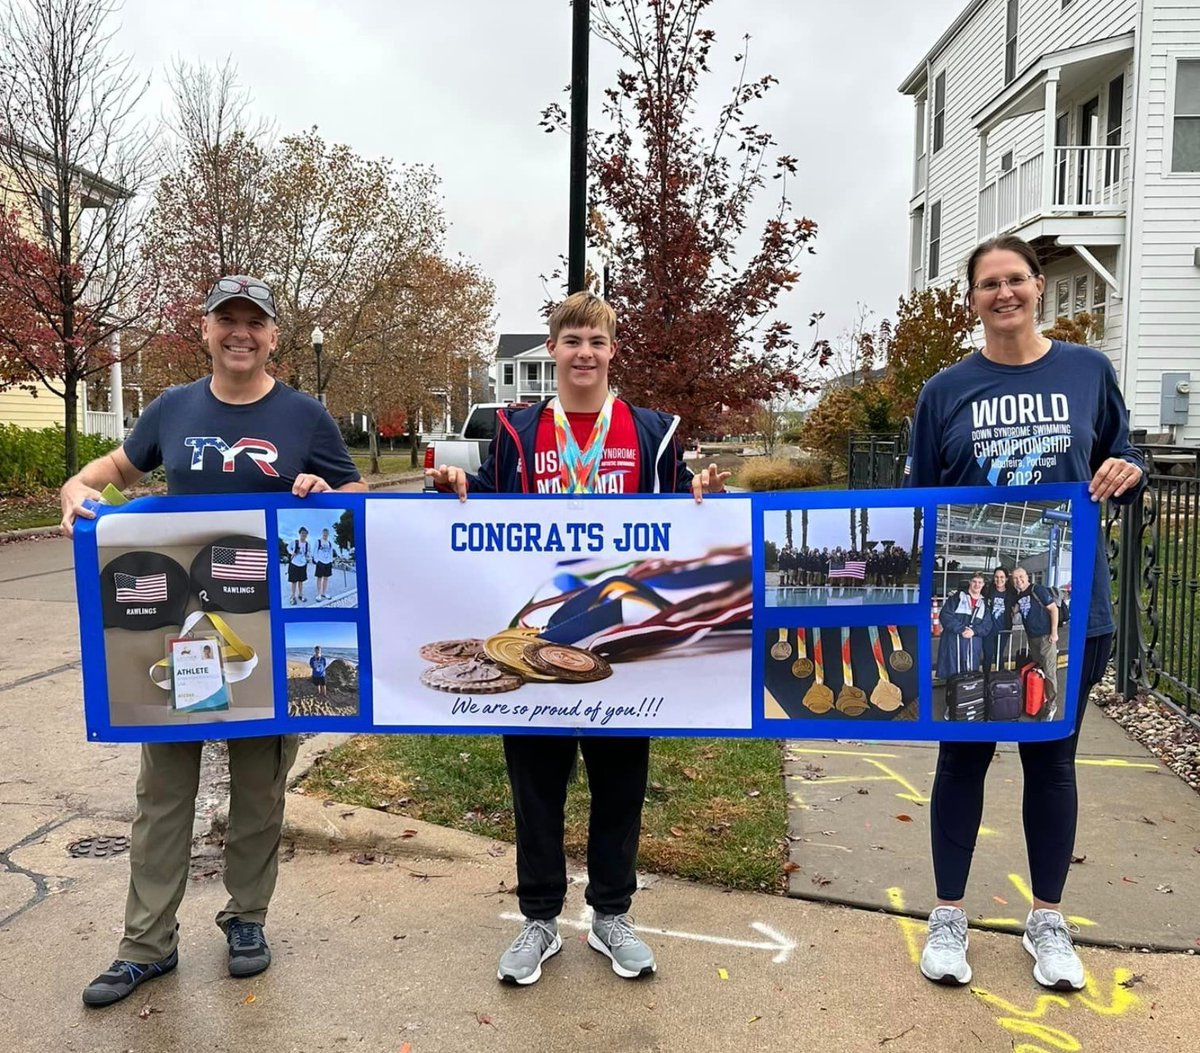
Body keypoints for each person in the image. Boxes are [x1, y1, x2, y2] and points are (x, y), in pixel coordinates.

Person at [60, 274, 366, 1007]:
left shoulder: (305, 416)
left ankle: (246, 918)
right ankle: (146, 944)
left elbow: (354, 498)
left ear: (272, 335)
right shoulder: (172, 409)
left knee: (259, 792)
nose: (240, 333)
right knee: (165, 793)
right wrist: (78, 487)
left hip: (268, 632)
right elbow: (113, 470)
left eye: (253, 322)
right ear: (205, 330)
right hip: (180, 635)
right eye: (226, 320)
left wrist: (326, 496)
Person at [426, 291, 728, 986]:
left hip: (619, 639)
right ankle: (538, 919)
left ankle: (611, 914)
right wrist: (452, 485)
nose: (584, 352)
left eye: (596, 339)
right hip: (534, 635)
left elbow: (684, 513)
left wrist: (702, 492)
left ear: (612, 349)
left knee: (620, 782)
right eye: (572, 340)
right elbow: (489, 509)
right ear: (554, 350)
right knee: (535, 783)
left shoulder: (652, 430)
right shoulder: (516, 430)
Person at [906, 234, 1144, 992]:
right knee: (962, 759)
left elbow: (1124, 455)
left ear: (1039, 286)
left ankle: (1047, 918)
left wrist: (1129, 469)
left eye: (1015, 280)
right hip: (966, 619)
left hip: (1074, 615)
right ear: (972, 299)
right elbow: (920, 504)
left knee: (1052, 763)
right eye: (988, 284)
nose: (1003, 294)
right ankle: (949, 915)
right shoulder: (946, 390)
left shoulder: (1087, 371)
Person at [1011, 566, 1059, 708]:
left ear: (1027, 577)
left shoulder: (1037, 590)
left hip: (1046, 637)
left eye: (1021, 576)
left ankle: (1052, 705)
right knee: (1039, 669)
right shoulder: (1019, 596)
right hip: (1032, 638)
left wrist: (1054, 633)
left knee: (1049, 672)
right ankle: (1040, 696)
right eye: (1015, 578)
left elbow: (1053, 609)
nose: (1018, 580)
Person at [935, 572, 993, 681]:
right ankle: (952, 696)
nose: (977, 585)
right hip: (953, 641)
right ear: (970, 582)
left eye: (980, 582)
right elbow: (945, 615)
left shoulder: (985, 604)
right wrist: (961, 629)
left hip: (973, 642)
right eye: (974, 581)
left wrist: (974, 631)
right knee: (953, 674)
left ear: (983, 584)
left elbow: (987, 624)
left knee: (970, 675)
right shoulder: (957, 598)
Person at [982, 567, 1016, 670]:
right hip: (988, 630)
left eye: (1002, 577)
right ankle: (986, 680)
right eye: (996, 577)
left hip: (1003, 629)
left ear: (1006, 579)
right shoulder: (987, 590)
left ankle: (1000, 681)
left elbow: (1017, 605)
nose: (999, 579)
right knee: (987, 656)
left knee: (999, 655)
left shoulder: (1012, 593)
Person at [289, 527, 311, 605]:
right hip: (294, 563)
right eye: (302, 533)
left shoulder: (308, 544)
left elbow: (308, 553)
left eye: (305, 533)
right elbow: (288, 548)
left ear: (307, 535)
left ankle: (300, 595)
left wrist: (308, 557)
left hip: (303, 564)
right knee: (294, 581)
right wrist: (292, 553)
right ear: (300, 534)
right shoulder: (294, 542)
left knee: (301, 581)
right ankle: (293, 596)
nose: (304, 535)